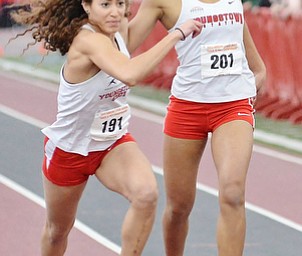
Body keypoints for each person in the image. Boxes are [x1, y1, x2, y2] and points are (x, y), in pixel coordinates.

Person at [9, 0, 202, 255]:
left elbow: (149, 12)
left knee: (146, 195)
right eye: (105, 4)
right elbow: (130, 73)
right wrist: (177, 33)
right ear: (87, 7)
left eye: (120, 4)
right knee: (58, 231)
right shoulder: (88, 40)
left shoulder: (118, 31)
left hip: (112, 143)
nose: (114, 11)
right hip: (71, 149)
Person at [127, 0, 267, 255]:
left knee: (233, 193)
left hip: (232, 107)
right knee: (179, 207)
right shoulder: (163, 2)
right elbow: (123, 46)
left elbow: (254, 61)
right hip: (187, 108)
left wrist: (254, 78)